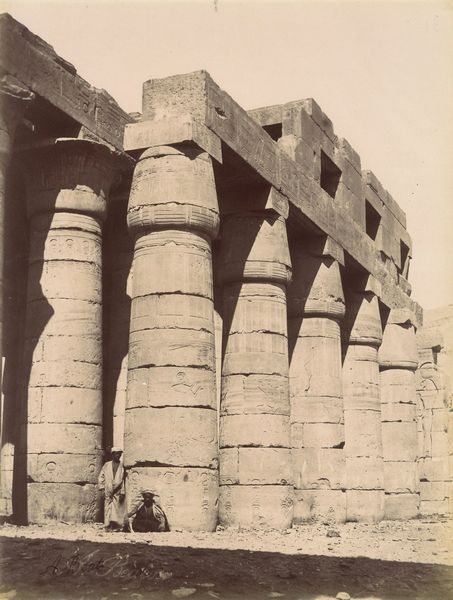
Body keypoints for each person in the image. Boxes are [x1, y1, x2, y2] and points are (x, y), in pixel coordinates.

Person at [97, 447, 126, 531]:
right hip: (108, 488)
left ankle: (116, 526)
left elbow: (123, 479)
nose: (118, 455)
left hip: (118, 489)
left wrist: (123, 491)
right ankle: (107, 525)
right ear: (113, 454)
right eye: (116, 453)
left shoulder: (122, 466)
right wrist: (101, 488)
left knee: (117, 507)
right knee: (107, 506)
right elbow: (101, 476)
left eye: (120, 454)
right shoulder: (107, 465)